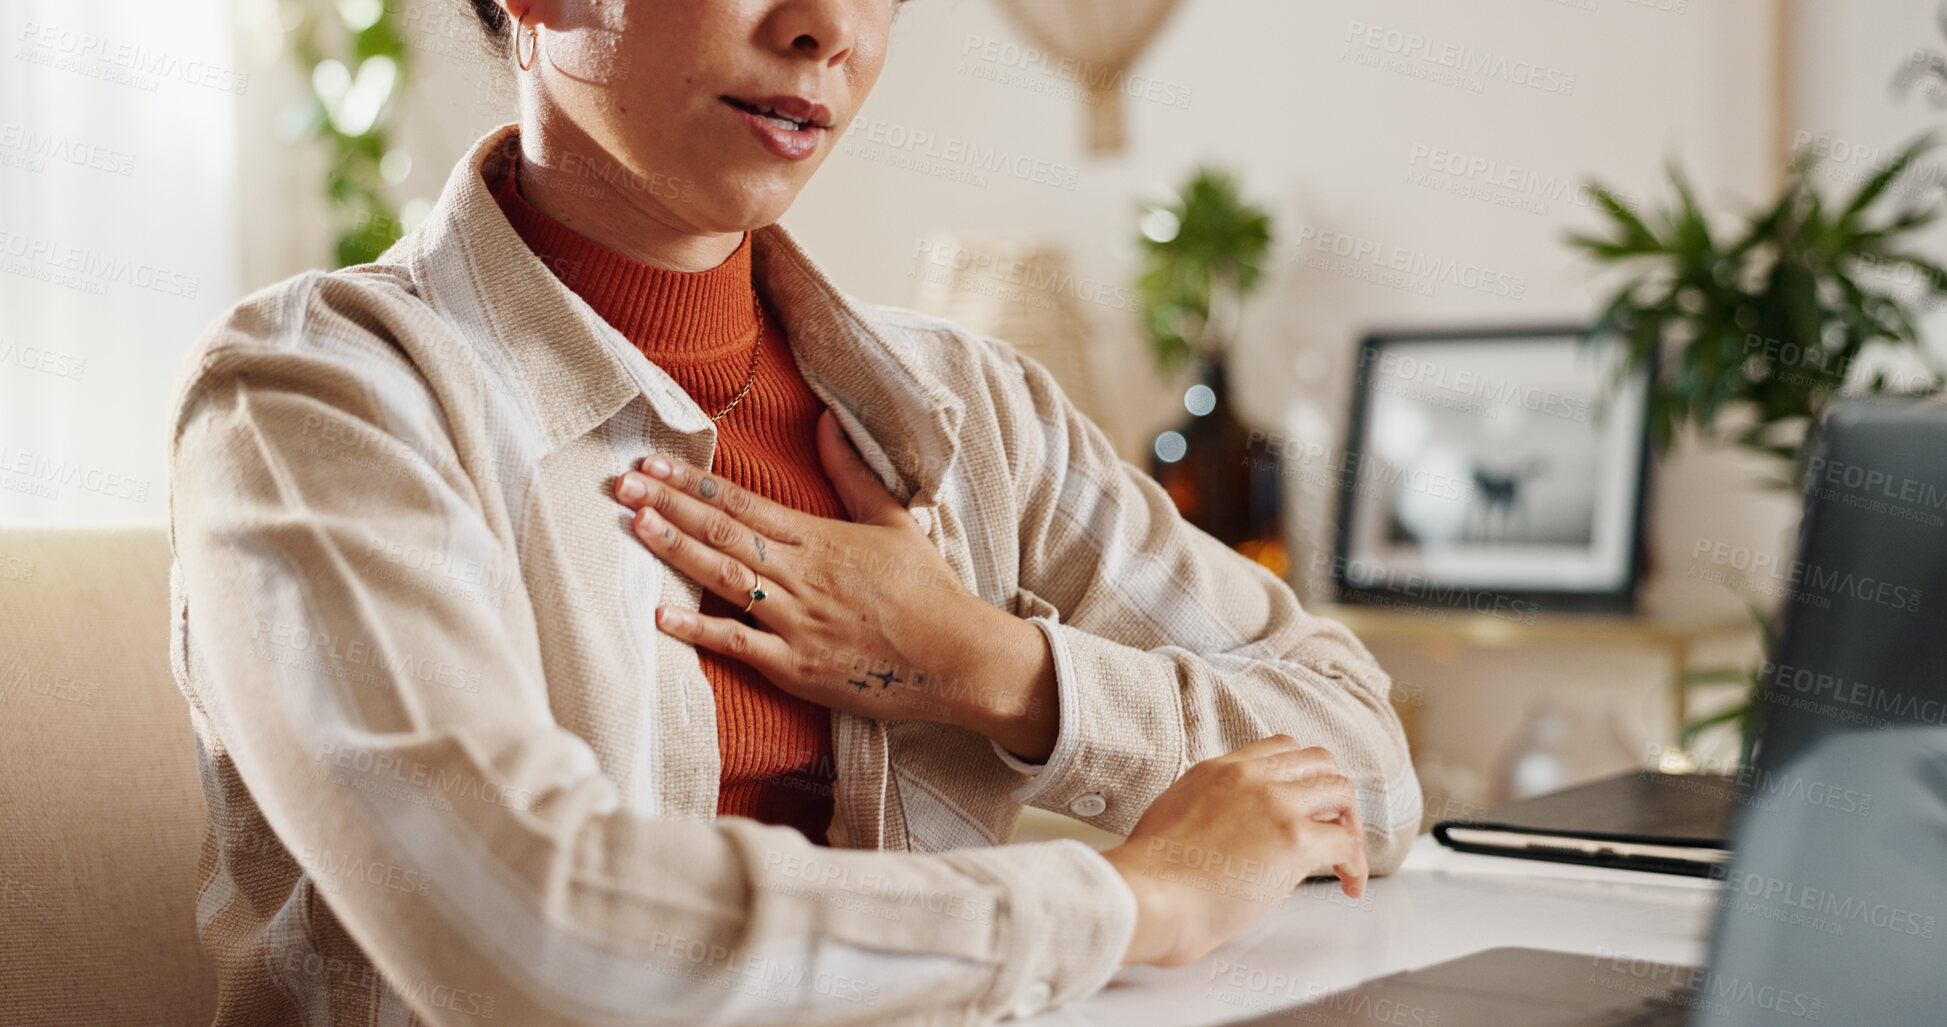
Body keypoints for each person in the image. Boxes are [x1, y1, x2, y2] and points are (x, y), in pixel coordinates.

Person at [165, 0, 1422, 1022]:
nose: (830, 27)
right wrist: (1132, 902)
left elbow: (1366, 778)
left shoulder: (979, 408)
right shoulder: (317, 401)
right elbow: (530, 933)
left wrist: (994, 665)